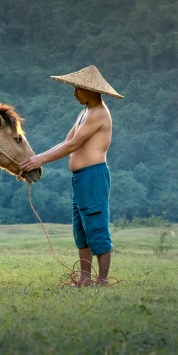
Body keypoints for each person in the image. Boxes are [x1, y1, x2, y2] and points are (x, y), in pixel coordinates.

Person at [19, 65, 123, 286]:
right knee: (81, 228)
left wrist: (41, 160)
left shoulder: (99, 114)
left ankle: (102, 280)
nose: (75, 94)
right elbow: (67, 142)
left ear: (90, 90)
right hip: (80, 179)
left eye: (78, 89)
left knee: (96, 225)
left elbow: (75, 144)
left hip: (93, 176)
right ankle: (85, 278)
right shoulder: (84, 113)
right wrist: (36, 158)